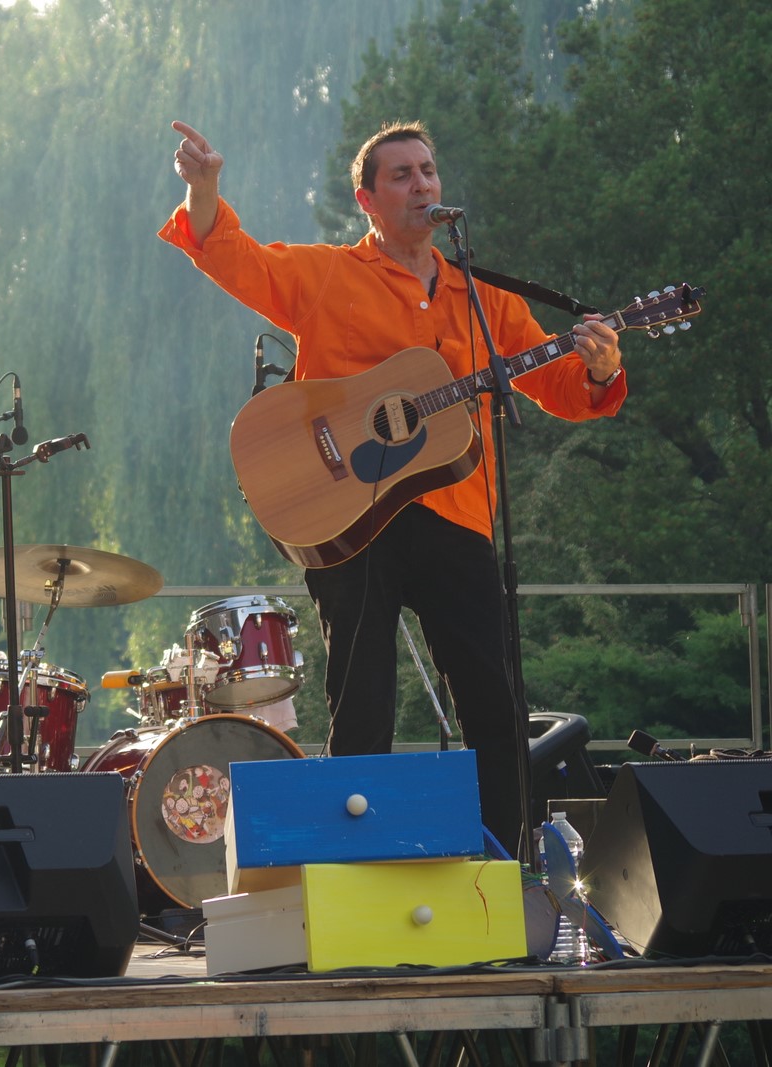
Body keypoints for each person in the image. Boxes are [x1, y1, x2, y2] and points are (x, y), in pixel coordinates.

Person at [160, 120, 626, 857]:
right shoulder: (328, 274)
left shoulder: (484, 298)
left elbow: (560, 387)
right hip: (349, 513)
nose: (422, 184)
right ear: (367, 200)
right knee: (363, 702)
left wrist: (600, 368)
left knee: (494, 702)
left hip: (457, 513)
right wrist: (205, 188)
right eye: (403, 175)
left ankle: (507, 867)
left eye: (429, 171)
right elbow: (234, 258)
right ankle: (357, 872)